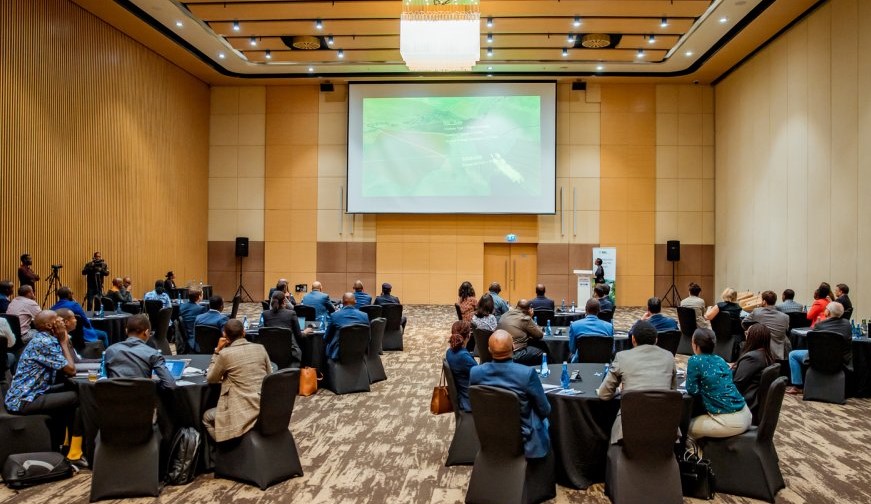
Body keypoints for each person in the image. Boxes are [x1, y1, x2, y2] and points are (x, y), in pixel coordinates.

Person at [4, 310, 85, 466]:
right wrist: (63, 341)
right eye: (57, 318)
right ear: (49, 325)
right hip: (25, 400)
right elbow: (71, 369)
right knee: (79, 397)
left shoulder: (45, 338)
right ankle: (74, 453)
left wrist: (63, 338)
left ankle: (66, 445)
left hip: (34, 392)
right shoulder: (45, 342)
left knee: (72, 391)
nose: (62, 320)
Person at [470, 330, 551, 459]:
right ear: (513, 347)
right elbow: (545, 410)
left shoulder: (475, 373)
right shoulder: (526, 374)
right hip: (523, 436)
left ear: (489, 350)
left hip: (489, 430)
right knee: (545, 421)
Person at [597, 321, 677, 443]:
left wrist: (619, 390)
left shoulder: (622, 357)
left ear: (633, 339)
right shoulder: (669, 356)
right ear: (656, 340)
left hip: (628, 428)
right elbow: (673, 392)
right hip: (665, 427)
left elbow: (604, 394)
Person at [203, 319, 272, 442]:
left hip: (241, 412)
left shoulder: (224, 354)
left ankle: (225, 449)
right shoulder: (260, 348)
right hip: (263, 406)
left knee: (207, 417)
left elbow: (211, 379)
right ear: (244, 332)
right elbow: (270, 376)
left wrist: (217, 351)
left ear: (225, 335)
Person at [686, 328, 751, 440]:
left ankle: (698, 451)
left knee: (683, 426)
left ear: (695, 345)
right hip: (746, 414)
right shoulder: (720, 359)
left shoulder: (695, 360)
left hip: (729, 422)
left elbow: (692, 390)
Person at [786, 301, 852, 395]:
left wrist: (817, 325)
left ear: (827, 312)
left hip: (818, 359)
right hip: (840, 360)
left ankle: (797, 386)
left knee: (793, 355)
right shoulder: (847, 324)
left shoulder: (820, 325)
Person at [103, 314, 175, 389]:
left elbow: (109, 379)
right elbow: (170, 385)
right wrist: (151, 384)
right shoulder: (153, 354)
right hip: (143, 395)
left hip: (115, 395)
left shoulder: (110, 351)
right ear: (146, 332)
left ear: (126, 331)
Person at [732, 324, 776, 418]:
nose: (745, 336)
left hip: (743, 403)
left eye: (747, 333)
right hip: (754, 401)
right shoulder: (767, 355)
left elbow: (736, 384)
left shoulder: (752, 358)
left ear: (753, 337)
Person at [260, 291, 305, 367]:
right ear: (284, 301)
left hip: (271, 351)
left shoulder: (265, 314)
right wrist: (305, 332)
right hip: (291, 352)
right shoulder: (291, 313)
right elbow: (299, 336)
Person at [743, 290, 791, 359]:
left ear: (764, 301)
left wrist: (753, 330)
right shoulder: (786, 317)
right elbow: (786, 330)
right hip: (780, 354)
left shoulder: (757, 312)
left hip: (762, 353)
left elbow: (744, 323)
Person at [496, 299, 544, 365]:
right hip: (514, 353)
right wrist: (530, 317)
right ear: (529, 310)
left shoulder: (505, 314)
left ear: (516, 307)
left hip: (499, 351)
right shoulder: (525, 318)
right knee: (541, 353)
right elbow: (539, 335)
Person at [323, 292, 370, 361]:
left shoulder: (334, 316)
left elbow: (326, 338)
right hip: (360, 352)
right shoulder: (364, 316)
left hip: (339, 354)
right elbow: (368, 338)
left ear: (342, 302)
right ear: (355, 301)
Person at [445, 320, 476, 412]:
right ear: (469, 336)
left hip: (462, 394)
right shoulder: (463, 357)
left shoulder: (449, 352)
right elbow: (479, 375)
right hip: (470, 400)